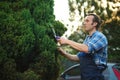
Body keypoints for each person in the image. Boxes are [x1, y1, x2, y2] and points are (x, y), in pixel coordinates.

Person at [57, 13, 108, 80]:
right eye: (84, 21)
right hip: (85, 76)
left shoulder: (99, 36)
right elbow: (78, 57)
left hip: (95, 76)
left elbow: (87, 49)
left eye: (87, 21)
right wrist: (64, 53)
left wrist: (67, 41)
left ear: (95, 24)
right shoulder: (88, 39)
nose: (84, 23)